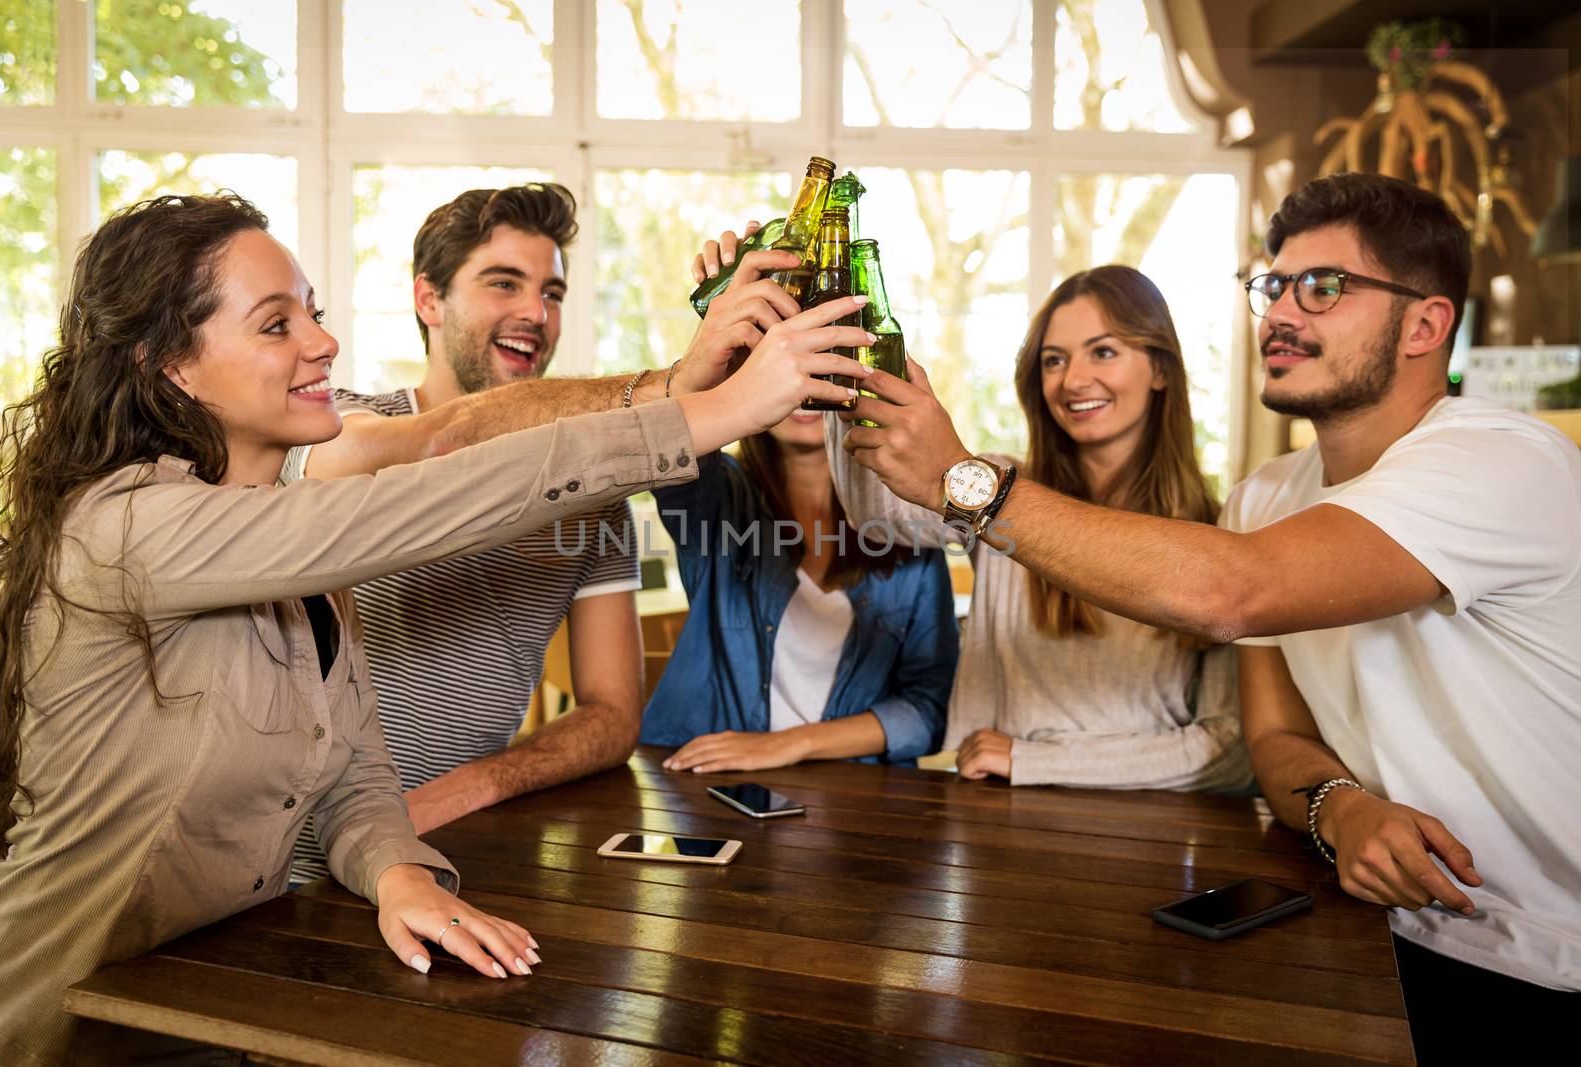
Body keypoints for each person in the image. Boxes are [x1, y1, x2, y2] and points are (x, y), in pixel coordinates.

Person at [0, 192, 870, 1065]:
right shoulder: (129, 527)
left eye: (313, 315)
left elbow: (354, 774)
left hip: (215, 994)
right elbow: (448, 473)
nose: (321, 341)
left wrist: (399, 870)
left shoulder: (294, 567)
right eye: (274, 323)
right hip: (57, 1027)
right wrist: (713, 405)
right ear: (169, 363)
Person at [839, 173, 1579, 1053]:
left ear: (1426, 325)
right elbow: (1274, 743)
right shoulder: (1266, 496)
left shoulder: (1504, 461)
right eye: (1274, 286)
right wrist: (1340, 806)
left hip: (1540, 955)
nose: (1281, 314)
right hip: (1365, 927)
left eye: (1325, 287)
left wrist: (964, 481)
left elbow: (1232, 596)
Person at [283, 184, 794, 880]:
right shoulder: (343, 423)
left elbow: (613, 715)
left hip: (447, 849)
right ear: (428, 300)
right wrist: (677, 384)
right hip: (288, 863)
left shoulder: (595, 499)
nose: (536, 312)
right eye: (504, 283)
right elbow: (444, 441)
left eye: (551, 292)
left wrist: (474, 786)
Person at [821, 263, 1249, 792]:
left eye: (1104, 351)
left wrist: (1035, 760)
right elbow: (881, 518)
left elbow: (1227, 749)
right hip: (999, 819)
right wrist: (843, 377)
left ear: (1160, 369)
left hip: (1147, 832)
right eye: (1054, 360)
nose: (1073, 380)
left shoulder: (1215, 531)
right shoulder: (994, 488)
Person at [642, 404, 958, 772]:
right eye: (798, 371)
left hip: (858, 792)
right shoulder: (717, 496)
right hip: (710, 783)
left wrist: (791, 743)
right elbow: (671, 436)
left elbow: (929, 711)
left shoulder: (908, 524)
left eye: (824, 373)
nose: (808, 395)